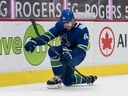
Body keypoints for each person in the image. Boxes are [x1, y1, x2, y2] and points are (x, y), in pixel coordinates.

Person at [24, 9, 97, 89]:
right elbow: (48, 35)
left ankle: (61, 78)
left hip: (76, 56)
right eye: (64, 23)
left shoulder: (82, 29)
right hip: (64, 52)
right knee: (67, 81)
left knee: (67, 79)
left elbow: (82, 50)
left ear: (73, 20)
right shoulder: (60, 25)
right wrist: (34, 41)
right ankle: (62, 77)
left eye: (67, 23)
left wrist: (71, 55)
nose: (65, 25)